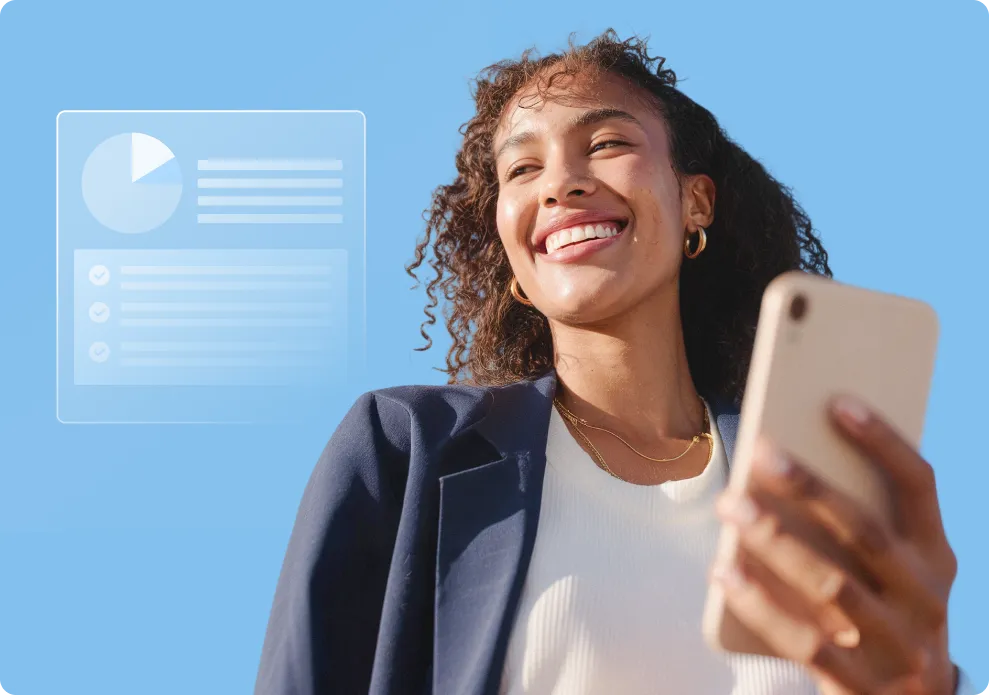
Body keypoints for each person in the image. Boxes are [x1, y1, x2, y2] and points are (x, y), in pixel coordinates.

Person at [254, 30, 978, 695]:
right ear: (511, 259)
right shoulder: (407, 449)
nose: (559, 182)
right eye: (523, 167)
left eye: (604, 143)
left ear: (695, 202)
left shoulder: (811, 482)